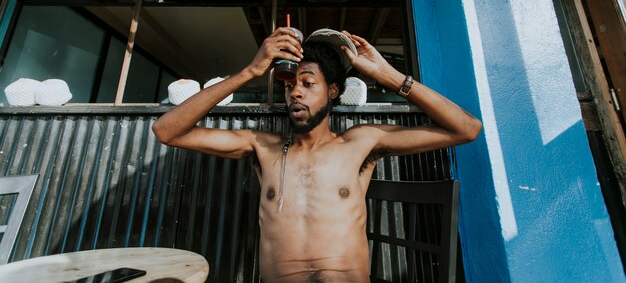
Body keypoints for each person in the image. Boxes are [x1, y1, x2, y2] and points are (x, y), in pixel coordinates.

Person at [152, 27, 482, 283]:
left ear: (333, 91)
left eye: (308, 83)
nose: (295, 91)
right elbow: (166, 131)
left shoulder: (361, 143)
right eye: (289, 84)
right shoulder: (261, 146)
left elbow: (466, 128)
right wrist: (250, 72)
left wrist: (388, 76)